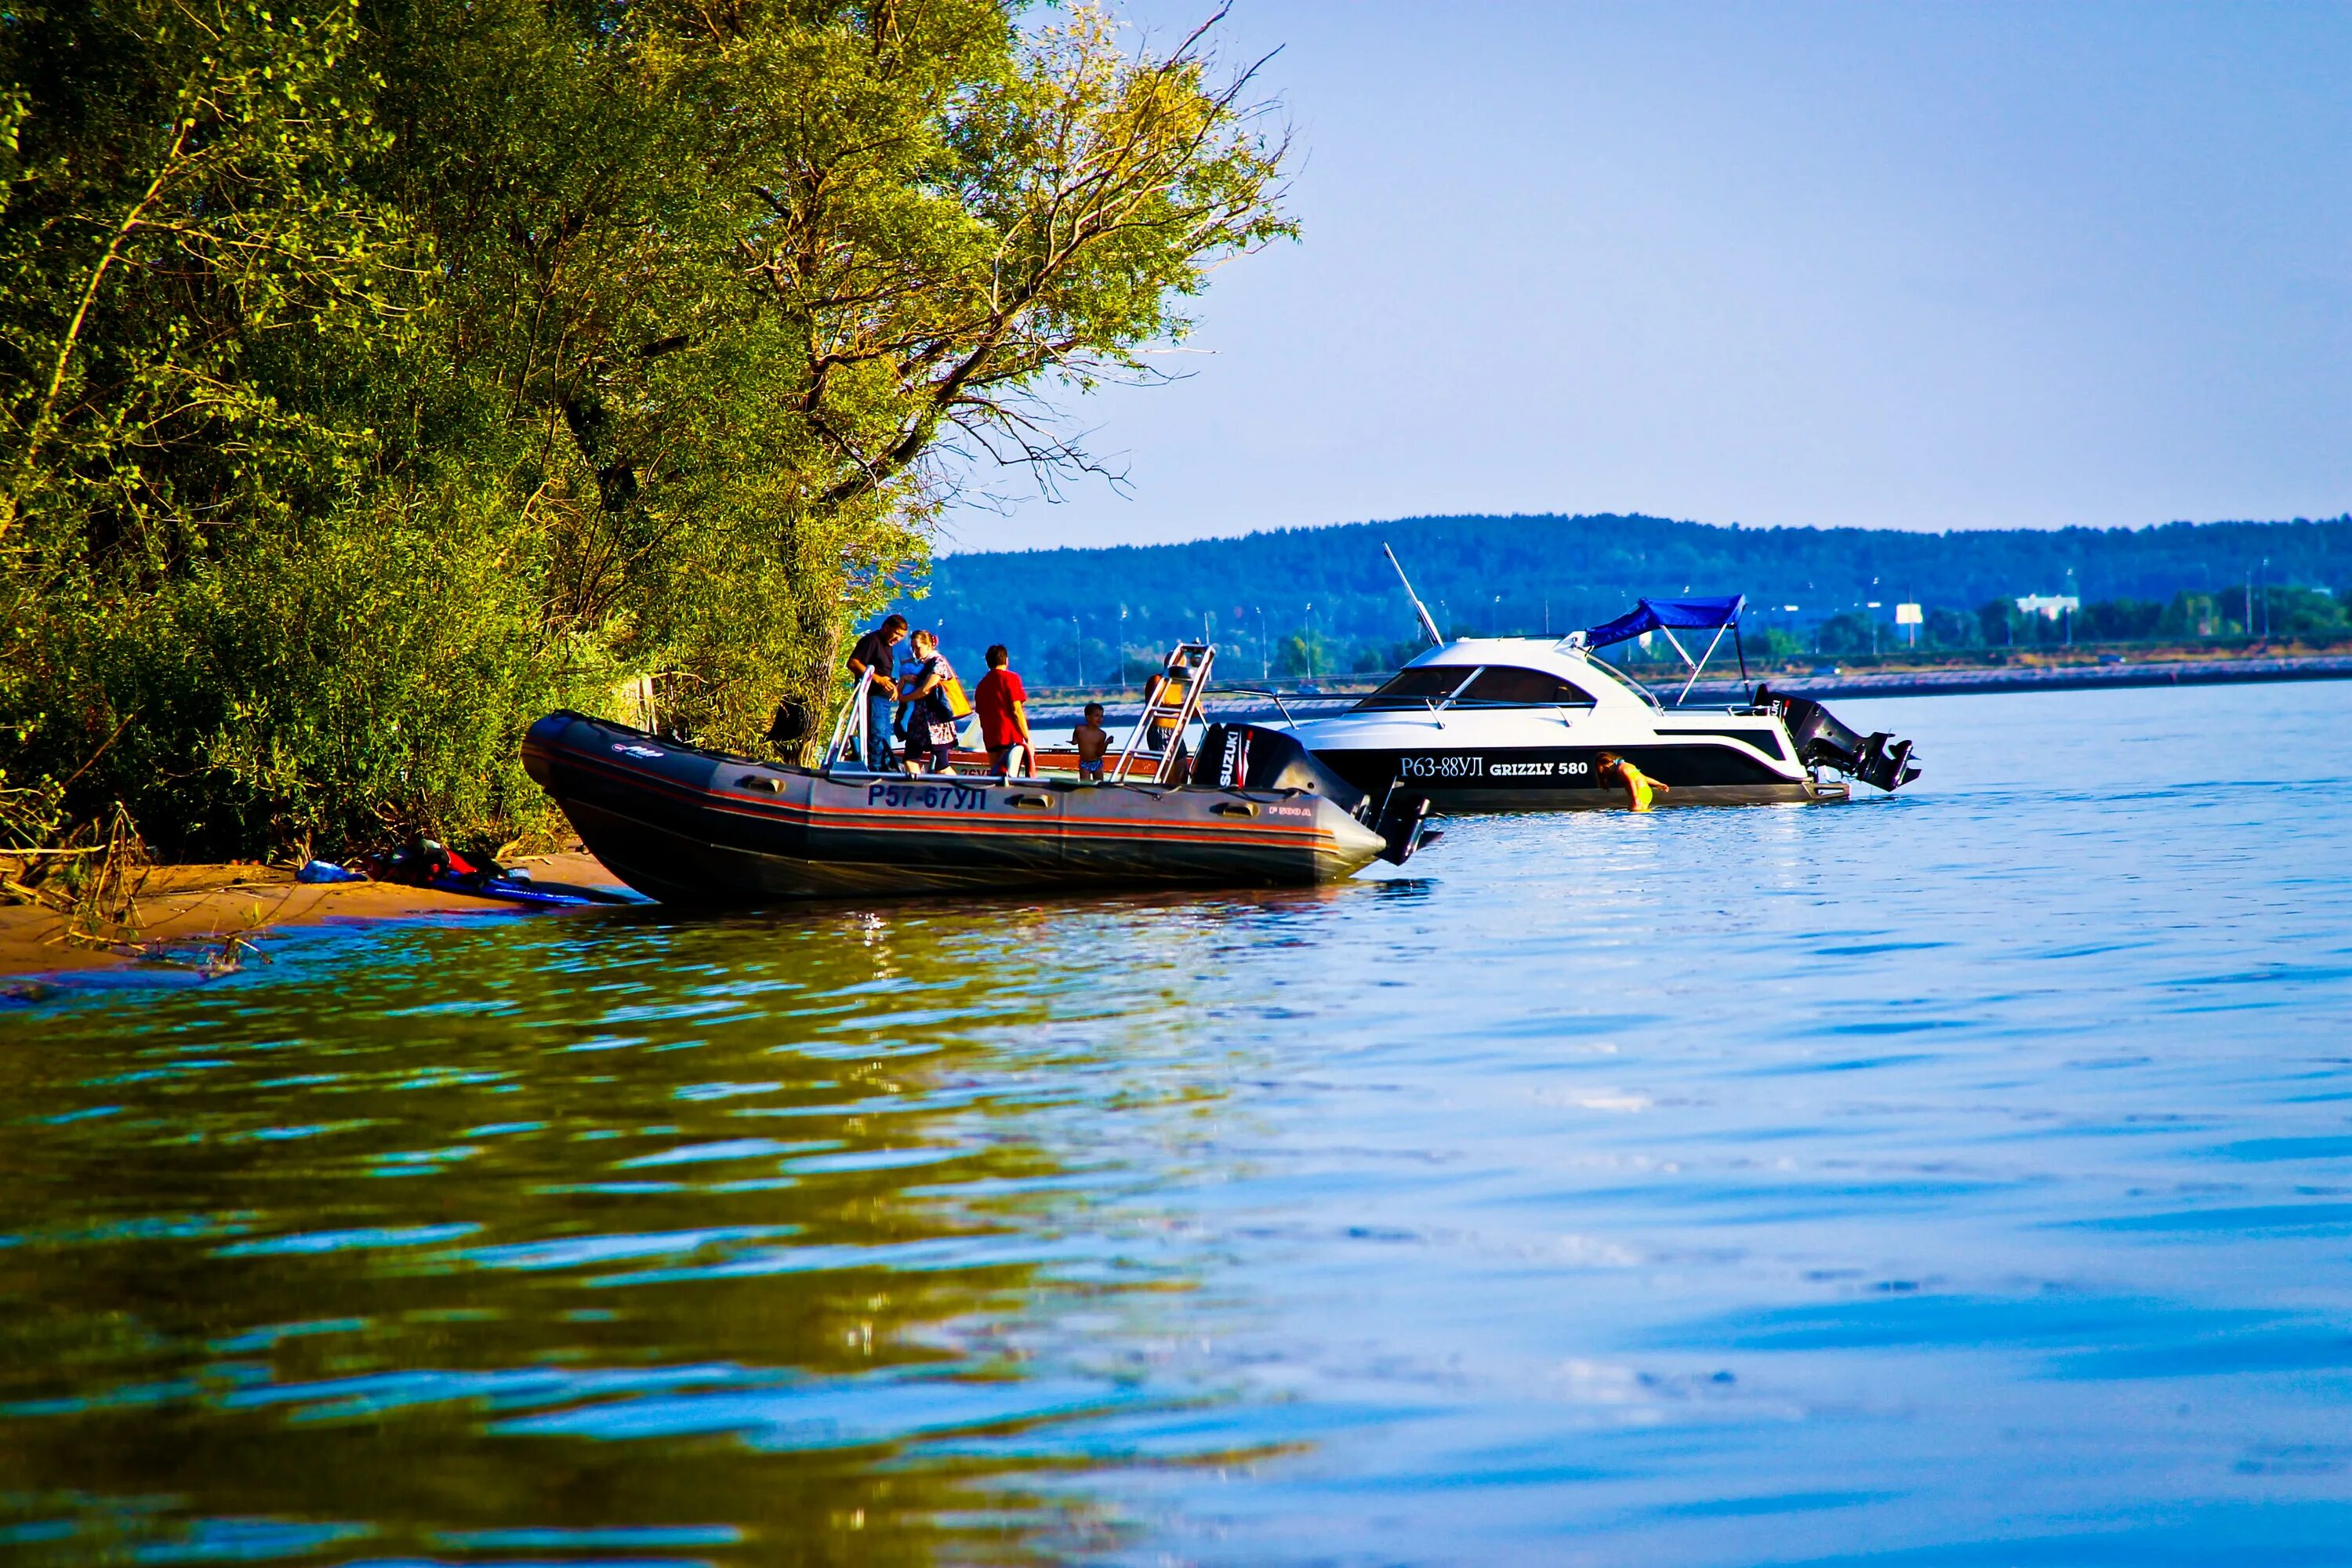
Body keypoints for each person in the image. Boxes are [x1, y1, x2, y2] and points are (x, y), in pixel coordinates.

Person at [845, 614, 906, 769]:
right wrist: (878, 680)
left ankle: (885, 769)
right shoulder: (872, 641)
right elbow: (853, 663)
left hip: (884, 699)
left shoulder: (888, 646)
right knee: (876, 735)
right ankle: (874, 770)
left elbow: (883, 671)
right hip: (872, 697)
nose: (898, 639)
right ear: (886, 628)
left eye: (901, 636)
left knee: (885, 737)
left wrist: (891, 686)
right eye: (897, 634)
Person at [898, 630, 961, 775]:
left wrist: (904, 698)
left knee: (942, 766)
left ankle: (958, 790)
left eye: (918, 647)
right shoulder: (919, 666)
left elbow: (926, 689)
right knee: (910, 759)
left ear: (928, 645)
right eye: (913, 647)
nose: (915, 652)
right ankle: (917, 789)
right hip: (919, 721)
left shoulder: (938, 662)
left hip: (936, 722)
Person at [973, 644, 1033, 777]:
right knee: (1011, 778)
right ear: (1006, 660)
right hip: (1010, 737)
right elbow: (1016, 710)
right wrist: (1027, 739)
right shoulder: (1011, 679)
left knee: (996, 778)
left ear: (988, 662)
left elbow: (981, 713)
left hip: (991, 738)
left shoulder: (981, 685)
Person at [1595, 751, 1670, 811]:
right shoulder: (1628, 765)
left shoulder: (1621, 769)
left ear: (1606, 765)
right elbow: (1643, 777)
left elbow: (1631, 782)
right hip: (1646, 792)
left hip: (1639, 793)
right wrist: (1658, 784)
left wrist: (1635, 798)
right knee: (1642, 815)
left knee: (1635, 816)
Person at [1072, 702, 1112, 782]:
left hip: (1097, 763)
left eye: (1102, 716)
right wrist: (1074, 740)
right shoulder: (1080, 729)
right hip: (1085, 763)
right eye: (1097, 716)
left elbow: (1100, 752)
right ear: (1088, 718)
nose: (1100, 719)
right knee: (1085, 784)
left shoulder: (1102, 734)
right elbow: (1075, 736)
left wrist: (1106, 743)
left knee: (1099, 783)